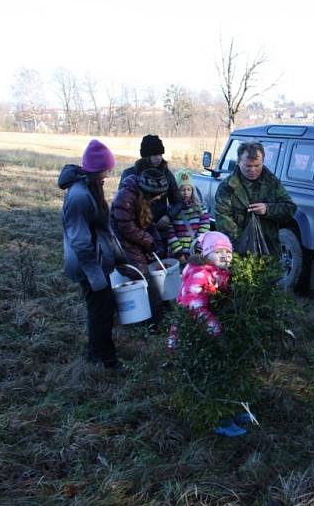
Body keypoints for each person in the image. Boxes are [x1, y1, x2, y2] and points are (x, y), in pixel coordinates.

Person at [166, 231, 251, 437]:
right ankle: (219, 418)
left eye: (228, 252)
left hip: (211, 334)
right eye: (218, 251)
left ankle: (232, 408)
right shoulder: (199, 274)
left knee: (227, 371)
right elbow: (194, 307)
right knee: (212, 376)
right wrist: (216, 330)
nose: (225, 256)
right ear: (206, 254)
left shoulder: (221, 272)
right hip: (194, 336)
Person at [59, 139, 121, 369]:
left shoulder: (92, 186)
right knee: (100, 310)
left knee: (104, 307)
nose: (108, 174)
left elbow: (101, 229)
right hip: (87, 266)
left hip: (97, 262)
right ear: (96, 169)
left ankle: (100, 352)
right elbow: (80, 241)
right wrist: (96, 276)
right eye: (107, 169)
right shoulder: (79, 196)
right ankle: (102, 359)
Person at [214, 141, 296, 257]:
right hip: (239, 254)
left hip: (269, 253)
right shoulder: (228, 187)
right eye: (248, 166)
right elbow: (222, 219)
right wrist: (246, 243)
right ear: (238, 162)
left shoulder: (272, 183)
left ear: (263, 162)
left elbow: (290, 208)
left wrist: (267, 209)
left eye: (257, 166)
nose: (252, 170)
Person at [111, 168, 169, 324]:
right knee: (144, 278)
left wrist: (155, 244)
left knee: (150, 273)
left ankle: (155, 314)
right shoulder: (125, 197)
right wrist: (148, 241)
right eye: (158, 194)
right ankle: (153, 322)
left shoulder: (143, 198)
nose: (160, 197)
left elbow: (148, 225)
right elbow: (126, 228)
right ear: (149, 192)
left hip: (136, 240)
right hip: (123, 243)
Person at [119, 134, 179, 244]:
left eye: (161, 154)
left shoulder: (166, 174)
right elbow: (122, 206)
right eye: (155, 154)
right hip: (136, 231)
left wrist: (168, 217)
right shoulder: (130, 174)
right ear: (146, 156)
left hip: (160, 230)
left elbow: (177, 201)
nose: (159, 158)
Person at [167, 168, 210, 264]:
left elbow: (204, 228)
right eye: (182, 190)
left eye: (188, 189)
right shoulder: (171, 210)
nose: (186, 192)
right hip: (177, 255)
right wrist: (179, 253)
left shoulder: (200, 208)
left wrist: (198, 250)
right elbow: (170, 232)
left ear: (192, 190)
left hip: (195, 253)